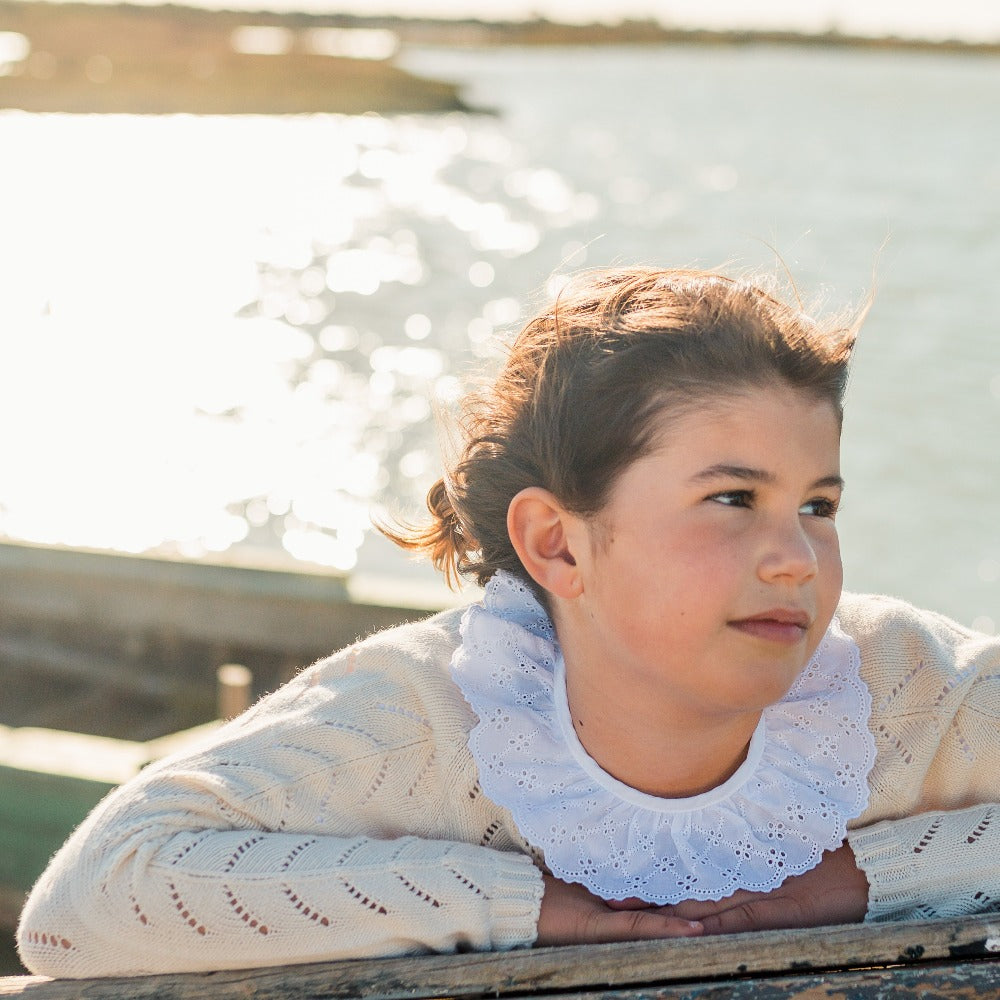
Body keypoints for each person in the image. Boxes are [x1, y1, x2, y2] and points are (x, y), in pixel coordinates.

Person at [17, 267, 1000, 979]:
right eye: (733, 499)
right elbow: (87, 902)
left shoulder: (905, 687)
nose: (796, 555)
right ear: (557, 544)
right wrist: (523, 905)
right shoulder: (425, 714)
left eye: (817, 506)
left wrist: (857, 876)